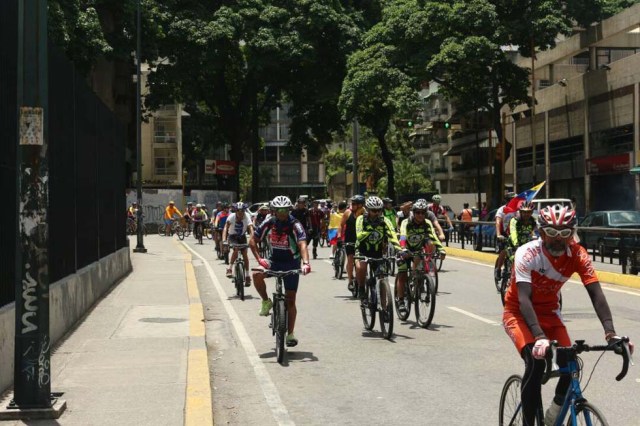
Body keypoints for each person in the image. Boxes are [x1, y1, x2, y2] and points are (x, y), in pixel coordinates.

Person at [502, 204, 633, 426]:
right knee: (536, 365)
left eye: (564, 234)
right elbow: (523, 298)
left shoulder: (578, 255)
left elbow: (596, 294)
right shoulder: (527, 253)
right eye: (551, 233)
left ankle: (553, 415)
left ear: (572, 234)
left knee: (572, 365)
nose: (558, 240)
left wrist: (611, 333)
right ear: (541, 233)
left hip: (551, 314)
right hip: (519, 313)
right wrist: (539, 336)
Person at [249, 195, 311, 347]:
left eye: (285, 210)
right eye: (279, 210)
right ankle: (266, 301)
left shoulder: (295, 224)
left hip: (291, 263)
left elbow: (302, 244)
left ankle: (290, 334)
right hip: (273, 261)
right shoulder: (269, 222)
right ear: (274, 211)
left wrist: (306, 263)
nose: (282, 213)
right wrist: (259, 259)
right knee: (256, 274)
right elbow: (252, 240)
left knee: (291, 300)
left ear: (289, 210)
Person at [395, 199, 446, 314]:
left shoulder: (427, 223)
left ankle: (416, 279)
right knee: (402, 275)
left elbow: (433, 237)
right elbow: (402, 237)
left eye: (423, 213)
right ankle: (401, 300)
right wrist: (403, 248)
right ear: (413, 212)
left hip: (417, 250)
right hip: (404, 249)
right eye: (418, 212)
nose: (420, 215)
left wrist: (441, 250)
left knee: (419, 268)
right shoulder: (406, 222)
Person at [355, 196, 401, 299]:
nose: (377, 213)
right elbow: (359, 236)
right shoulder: (360, 219)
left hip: (378, 251)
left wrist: (399, 249)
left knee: (382, 277)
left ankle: (384, 308)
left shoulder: (385, 220)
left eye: (379, 210)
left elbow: (392, 235)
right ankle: (361, 287)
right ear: (367, 209)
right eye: (374, 210)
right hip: (363, 250)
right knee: (360, 267)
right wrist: (372, 227)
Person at [338, 195, 365, 291]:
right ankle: (350, 281)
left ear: (360, 205)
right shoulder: (347, 213)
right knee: (350, 259)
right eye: (351, 203)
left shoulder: (365, 214)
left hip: (361, 241)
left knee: (361, 261)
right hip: (350, 240)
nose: (351, 205)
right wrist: (339, 238)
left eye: (354, 204)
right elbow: (341, 225)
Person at [223, 202, 254, 284]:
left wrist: (251, 240)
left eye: (242, 211)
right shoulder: (231, 217)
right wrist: (224, 240)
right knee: (236, 249)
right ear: (235, 211)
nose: (240, 213)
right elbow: (226, 228)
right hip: (232, 236)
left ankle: (247, 275)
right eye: (238, 211)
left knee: (244, 254)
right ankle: (230, 268)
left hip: (242, 236)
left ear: (244, 211)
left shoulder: (247, 216)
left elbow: (251, 229)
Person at [494, 192, 516, 283]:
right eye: (513, 199)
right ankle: (498, 269)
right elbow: (498, 222)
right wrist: (499, 234)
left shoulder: (518, 210)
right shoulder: (502, 209)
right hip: (504, 234)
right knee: (504, 251)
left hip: (515, 234)